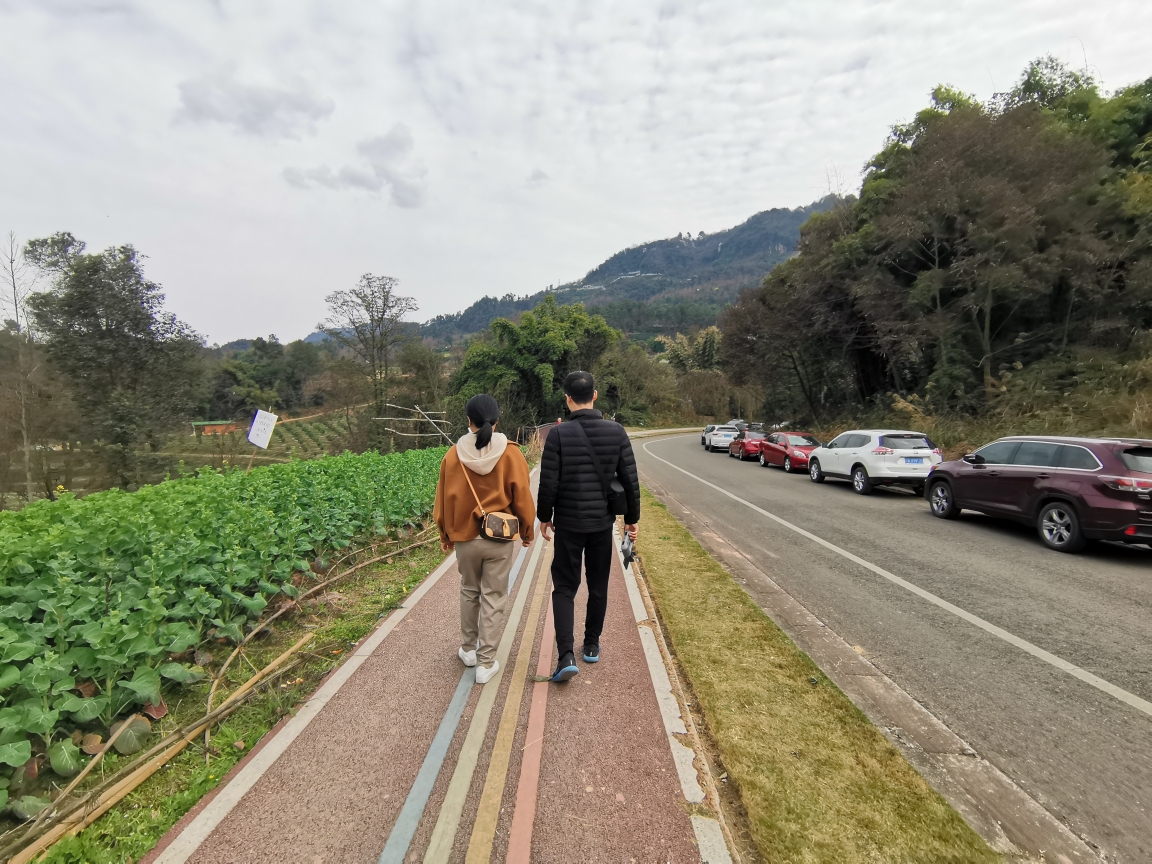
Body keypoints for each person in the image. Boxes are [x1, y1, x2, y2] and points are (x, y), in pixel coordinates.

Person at [537, 371, 640, 682]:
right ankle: (592, 645)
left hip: (568, 524)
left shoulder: (557, 435)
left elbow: (548, 483)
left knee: (565, 587)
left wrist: (545, 517)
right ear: (595, 395)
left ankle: (566, 654)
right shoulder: (617, 432)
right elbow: (630, 482)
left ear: (567, 399)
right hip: (601, 525)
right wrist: (631, 521)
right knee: (598, 585)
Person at [433, 394, 536, 684]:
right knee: (494, 595)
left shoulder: (452, 455)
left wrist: (445, 535)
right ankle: (486, 662)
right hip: (499, 537)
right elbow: (523, 498)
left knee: (469, 590)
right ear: (497, 420)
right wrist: (527, 532)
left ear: (469, 421)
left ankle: (468, 650)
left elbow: (441, 501)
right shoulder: (512, 453)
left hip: (465, 539)